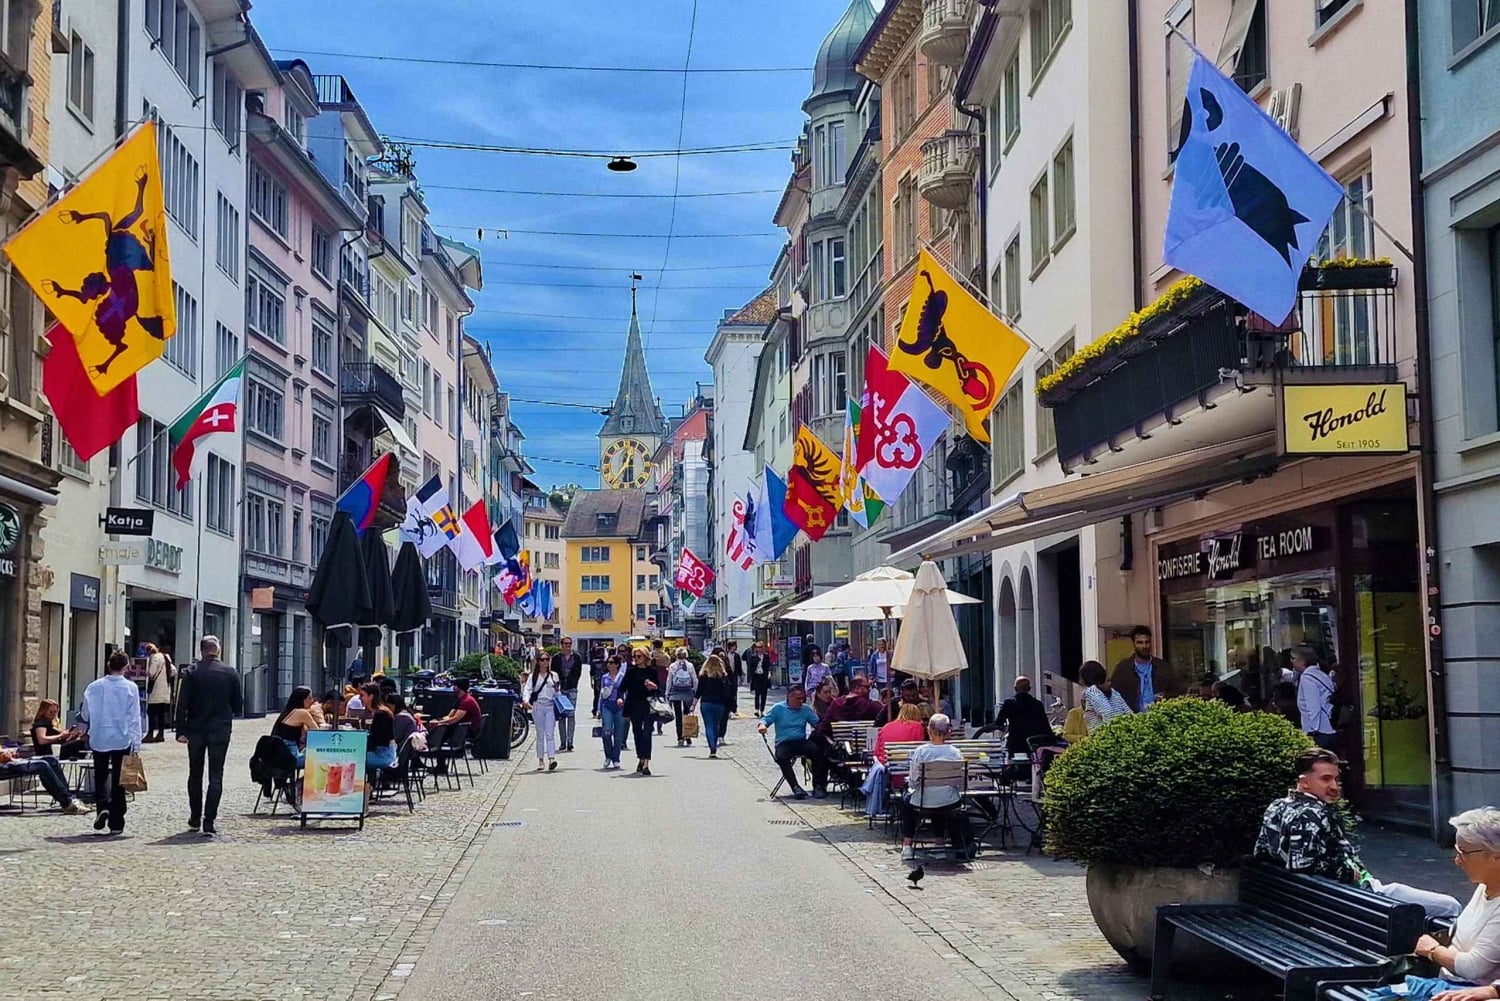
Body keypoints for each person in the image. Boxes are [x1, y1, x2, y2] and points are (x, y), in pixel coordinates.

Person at [1254, 748, 1461, 918]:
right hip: (1360, 898)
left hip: (1317, 899)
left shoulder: (1277, 806)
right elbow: (1303, 866)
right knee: (1450, 907)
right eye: (1325, 779)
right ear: (1304, 782)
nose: (1334, 786)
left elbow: (1261, 853)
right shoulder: (1312, 815)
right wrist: (1348, 873)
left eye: (1335, 779)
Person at [1401, 807, 1500, 990]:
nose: (1457, 860)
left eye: (1463, 852)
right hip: (1445, 983)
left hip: (1465, 989)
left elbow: (1473, 968)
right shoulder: (1485, 886)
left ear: (1496, 857)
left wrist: (1432, 950)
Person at [174, 636, 242, 836]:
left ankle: (195, 817)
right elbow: (238, 705)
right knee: (216, 775)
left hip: (195, 730)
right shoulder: (230, 673)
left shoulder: (191, 672)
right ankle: (209, 820)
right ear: (218, 650)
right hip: (220, 730)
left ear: (201, 650)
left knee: (195, 774)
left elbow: (182, 704)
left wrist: (180, 730)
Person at [79, 650, 144, 835]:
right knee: (119, 780)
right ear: (126, 667)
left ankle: (102, 807)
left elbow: (85, 714)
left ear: (109, 665)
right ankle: (117, 821)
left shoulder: (93, 686)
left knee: (100, 776)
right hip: (121, 737)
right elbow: (134, 718)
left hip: (99, 736)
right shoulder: (130, 688)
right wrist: (136, 742)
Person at [899, 713, 967, 862]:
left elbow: (913, 780)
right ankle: (939, 844)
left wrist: (913, 786)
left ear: (929, 731)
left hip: (924, 800)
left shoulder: (921, 751)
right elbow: (959, 781)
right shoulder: (956, 752)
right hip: (950, 801)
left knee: (906, 802)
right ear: (949, 732)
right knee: (940, 803)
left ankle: (907, 845)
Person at [758, 684, 827, 800]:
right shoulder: (778, 708)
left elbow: (818, 724)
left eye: (803, 698)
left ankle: (818, 786)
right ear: (789, 697)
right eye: (798, 698)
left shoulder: (805, 709)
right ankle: (795, 787)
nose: (801, 701)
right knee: (781, 757)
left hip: (800, 741)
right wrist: (762, 726)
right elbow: (765, 720)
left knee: (818, 751)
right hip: (784, 743)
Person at [976, 677, 1057, 756]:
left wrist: (987, 729)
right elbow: (1045, 724)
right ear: (1029, 689)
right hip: (1034, 743)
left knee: (1013, 764)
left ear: (1015, 689)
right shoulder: (1037, 704)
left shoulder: (1009, 703)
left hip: (1015, 742)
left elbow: (999, 722)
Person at [615, 646, 660, 775]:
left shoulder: (652, 671)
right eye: (634, 656)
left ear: (645, 657)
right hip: (634, 705)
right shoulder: (631, 672)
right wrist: (619, 698)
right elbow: (621, 688)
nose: (636, 659)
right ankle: (641, 757)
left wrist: (654, 686)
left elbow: (659, 689)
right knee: (637, 733)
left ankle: (646, 763)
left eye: (639, 656)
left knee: (647, 733)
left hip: (649, 705)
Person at [0, 744, 83, 813]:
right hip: (3, 766)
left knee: (51, 760)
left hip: (9, 761)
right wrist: (4, 754)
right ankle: (67, 802)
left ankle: (70, 798)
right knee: (42, 765)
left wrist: (8, 752)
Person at [519, 651, 561, 772]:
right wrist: (526, 701)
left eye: (547, 659)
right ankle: (541, 759)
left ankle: (552, 758)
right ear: (538, 662)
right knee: (540, 734)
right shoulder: (533, 676)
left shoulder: (554, 675)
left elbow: (558, 692)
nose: (545, 662)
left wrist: (557, 692)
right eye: (542, 660)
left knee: (550, 734)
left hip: (550, 706)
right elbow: (527, 689)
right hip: (537, 707)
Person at [1110, 625, 1167, 712]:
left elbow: (1175, 690)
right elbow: (1114, 695)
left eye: (1147, 642)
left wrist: (1164, 697)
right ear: (1134, 643)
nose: (1144, 646)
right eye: (1140, 642)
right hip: (1132, 718)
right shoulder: (1123, 669)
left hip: (1159, 715)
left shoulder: (1162, 666)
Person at [1292, 644, 1338, 751]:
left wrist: (1312, 732)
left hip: (1320, 732)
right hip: (1330, 729)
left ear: (1302, 661)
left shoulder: (1307, 679)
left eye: (1293, 658)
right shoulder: (1321, 674)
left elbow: (1313, 707)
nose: (1291, 661)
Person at [816, 674, 883, 737]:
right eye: (867, 687)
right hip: (865, 746)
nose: (869, 690)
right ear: (857, 688)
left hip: (842, 746)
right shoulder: (871, 706)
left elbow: (823, 728)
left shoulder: (836, 704)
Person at [695, 653, 734, 758]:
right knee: (716, 725)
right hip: (719, 704)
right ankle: (714, 746)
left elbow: (699, 691)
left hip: (706, 703)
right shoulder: (722, 676)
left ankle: (712, 747)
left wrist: (693, 705)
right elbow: (728, 691)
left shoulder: (703, 675)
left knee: (708, 725)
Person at [1080, 660, 1133, 734]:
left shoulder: (1091, 691)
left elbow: (1108, 714)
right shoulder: (1112, 692)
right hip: (1122, 734)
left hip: (1105, 738)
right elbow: (1130, 714)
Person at [271, 686, 318, 767]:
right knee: (320, 758)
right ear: (302, 700)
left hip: (277, 755)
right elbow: (317, 731)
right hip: (291, 757)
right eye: (309, 698)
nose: (312, 701)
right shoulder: (302, 713)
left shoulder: (288, 712)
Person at [552, 636, 585, 753]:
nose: (568, 645)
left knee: (571, 715)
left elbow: (578, 673)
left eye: (570, 643)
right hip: (560, 689)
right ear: (562, 645)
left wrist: (574, 683)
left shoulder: (576, 657)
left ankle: (570, 742)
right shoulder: (556, 658)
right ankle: (562, 742)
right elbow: (553, 673)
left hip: (572, 689)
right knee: (562, 716)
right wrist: (557, 686)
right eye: (566, 643)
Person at [597, 654, 629, 769]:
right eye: (608, 662)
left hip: (619, 706)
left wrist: (624, 701)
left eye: (611, 662)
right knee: (606, 732)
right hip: (607, 705)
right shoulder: (605, 677)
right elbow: (601, 694)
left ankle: (616, 758)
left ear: (617, 664)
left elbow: (626, 692)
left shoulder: (622, 677)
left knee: (618, 734)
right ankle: (608, 755)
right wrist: (598, 709)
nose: (609, 665)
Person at [666, 647, 699, 747]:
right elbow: (694, 679)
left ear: (676, 655)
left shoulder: (672, 666)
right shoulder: (690, 666)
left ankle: (680, 737)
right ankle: (688, 736)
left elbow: (669, 680)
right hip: (688, 692)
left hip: (676, 692)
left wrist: (667, 693)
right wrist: (696, 692)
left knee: (678, 715)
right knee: (687, 714)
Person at [363, 683, 397, 776]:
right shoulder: (379, 711)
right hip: (383, 751)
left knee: (358, 759)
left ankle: (366, 786)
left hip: (384, 755)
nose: (361, 698)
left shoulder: (381, 714)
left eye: (363, 695)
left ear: (371, 696)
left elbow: (379, 739)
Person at [143, 642, 174, 742]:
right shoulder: (166, 657)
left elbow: (151, 673)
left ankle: (150, 733)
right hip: (165, 690)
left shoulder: (154, 658)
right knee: (161, 714)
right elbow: (174, 671)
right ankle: (161, 734)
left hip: (156, 691)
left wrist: (146, 670)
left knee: (151, 712)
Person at [651, 640, 671, 735]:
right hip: (663, 679)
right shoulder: (666, 656)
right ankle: (659, 726)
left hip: (652, 679)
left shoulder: (651, 656)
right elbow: (668, 666)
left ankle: (650, 724)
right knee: (661, 701)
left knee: (650, 701)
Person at [747, 641, 773, 715]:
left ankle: (762, 710)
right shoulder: (753, 656)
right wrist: (750, 678)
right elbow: (750, 667)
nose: (759, 649)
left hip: (764, 676)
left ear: (763, 648)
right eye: (757, 647)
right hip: (756, 676)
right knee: (757, 693)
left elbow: (769, 665)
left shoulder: (766, 656)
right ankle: (756, 709)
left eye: (760, 647)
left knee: (764, 694)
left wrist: (769, 673)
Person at [589, 642, 607, 718]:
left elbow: (591, 673)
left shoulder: (594, 662)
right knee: (603, 696)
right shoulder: (606, 662)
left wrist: (592, 682)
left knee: (596, 696)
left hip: (597, 680)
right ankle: (599, 710)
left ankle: (595, 710)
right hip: (604, 680)